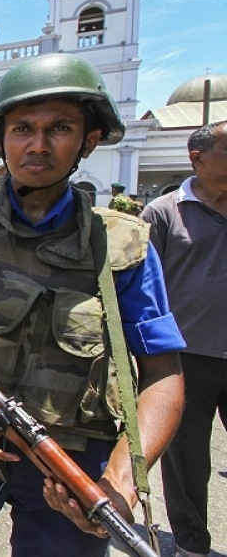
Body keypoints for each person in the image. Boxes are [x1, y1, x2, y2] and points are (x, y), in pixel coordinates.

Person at [0, 53, 185, 556]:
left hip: (73, 458)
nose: (39, 145)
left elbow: (163, 372)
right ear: (1, 139)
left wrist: (120, 479)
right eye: (22, 128)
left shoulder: (121, 244)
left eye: (59, 128)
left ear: (88, 140)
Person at [141, 120, 227, 557]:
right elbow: (141, 287)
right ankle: (192, 545)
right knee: (187, 462)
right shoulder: (163, 213)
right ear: (198, 158)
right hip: (186, 357)